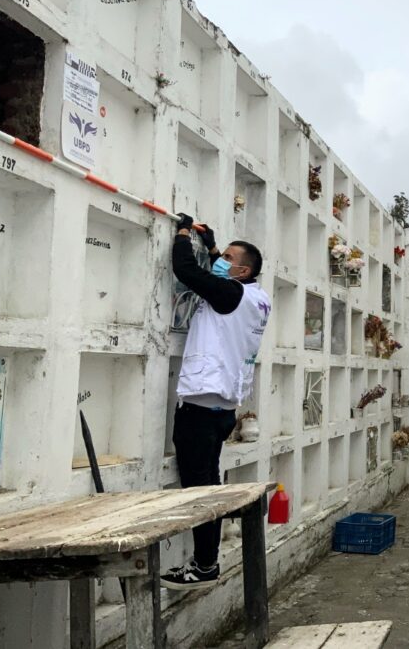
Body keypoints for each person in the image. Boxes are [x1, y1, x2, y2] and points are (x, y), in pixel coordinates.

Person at [161, 215, 271, 590]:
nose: (219, 260)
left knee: (199, 492)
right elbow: (221, 276)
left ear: (241, 270)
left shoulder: (230, 293)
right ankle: (205, 562)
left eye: (226, 257)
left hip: (200, 411)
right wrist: (211, 244)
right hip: (221, 410)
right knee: (210, 487)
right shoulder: (255, 296)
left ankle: (204, 565)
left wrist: (181, 233)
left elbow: (186, 270)